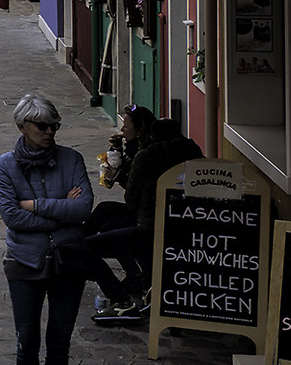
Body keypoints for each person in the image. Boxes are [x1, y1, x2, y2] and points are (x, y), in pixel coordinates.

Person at [0, 94, 94, 365]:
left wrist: (35, 205)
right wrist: (61, 208)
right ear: (22, 127)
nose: (50, 131)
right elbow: (11, 217)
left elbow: (82, 209)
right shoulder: (5, 166)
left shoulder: (72, 159)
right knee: (27, 342)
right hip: (24, 262)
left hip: (68, 261)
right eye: (42, 126)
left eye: (54, 126)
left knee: (60, 343)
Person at [74, 106, 204, 322]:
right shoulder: (192, 150)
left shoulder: (148, 155)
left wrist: (118, 175)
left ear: (148, 132)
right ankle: (135, 278)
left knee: (90, 244)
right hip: (186, 225)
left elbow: (131, 199)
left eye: (126, 125)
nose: (123, 129)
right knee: (106, 210)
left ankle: (123, 300)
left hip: (150, 227)